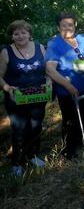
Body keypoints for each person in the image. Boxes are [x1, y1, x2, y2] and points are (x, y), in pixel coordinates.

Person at [0, 20, 48, 176]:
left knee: (36, 126)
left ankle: (32, 155)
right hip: (16, 98)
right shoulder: (6, 52)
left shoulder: (40, 48)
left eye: (23, 32)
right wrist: (6, 87)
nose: (20, 36)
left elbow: (48, 71)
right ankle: (17, 162)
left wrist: (49, 82)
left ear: (29, 34)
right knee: (19, 129)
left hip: (38, 95)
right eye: (16, 33)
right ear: (12, 36)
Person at [45, 13, 84, 159]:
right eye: (64, 25)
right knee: (70, 120)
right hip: (68, 90)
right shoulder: (54, 44)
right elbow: (50, 69)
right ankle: (69, 150)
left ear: (75, 25)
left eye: (70, 25)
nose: (68, 28)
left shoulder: (83, 39)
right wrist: (68, 86)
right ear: (58, 27)